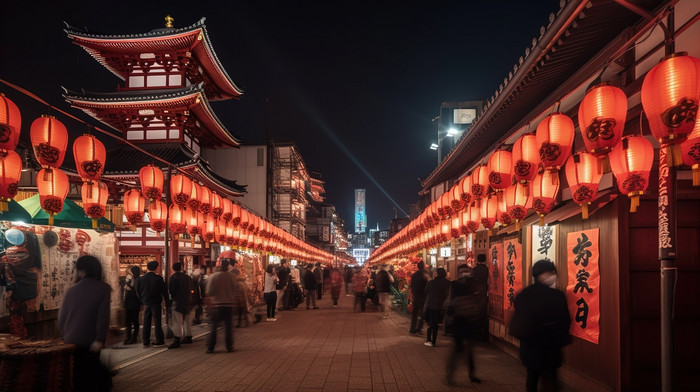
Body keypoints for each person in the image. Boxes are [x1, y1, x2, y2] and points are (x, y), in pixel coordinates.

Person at [510, 260, 571, 392]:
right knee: (550, 379)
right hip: (551, 345)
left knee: (532, 378)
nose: (553, 276)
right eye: (550, 273)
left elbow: (519, 320)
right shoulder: (557, 296)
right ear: (541, 275)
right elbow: (565, 320)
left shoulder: (524, 294)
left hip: (530, 345)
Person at [58, 255, 112, 391]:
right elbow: (103, 316)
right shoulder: (103, 288)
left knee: (77, 375)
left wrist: (64, 335)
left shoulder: (71, 290)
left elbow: (62, 316)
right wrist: (100, 338)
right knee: (91, 375)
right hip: (90, 340)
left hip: (70, 339)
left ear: (81, 271)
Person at [446, 264, 481, 385]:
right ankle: (450, 376)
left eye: (466, 271)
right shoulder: (454, 284)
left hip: (469, 321)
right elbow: (451, 301)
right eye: (462, 271)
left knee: (470, 350)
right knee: (457, 350)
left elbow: (476, 296)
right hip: (458, 321)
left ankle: (472, 374)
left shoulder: (471, 283)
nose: (464, 273)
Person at [205, 259, 239, 353]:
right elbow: (235, 288)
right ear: (228, 266)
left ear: (219, 266)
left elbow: (208, 291)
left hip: (216, 305)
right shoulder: (232, 277)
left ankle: (210, 347)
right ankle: (229, 346)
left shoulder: (213, 276)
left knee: (213, 327)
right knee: (228, 327)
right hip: (228, 305)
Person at [135, 261, 167, 348]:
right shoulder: (159, 278)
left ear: (147, 268)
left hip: (146, 303)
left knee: (146, 322)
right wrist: (165, 302)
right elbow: (164, 291)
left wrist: (142, 300)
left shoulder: (141, 279)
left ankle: (145, 341)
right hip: (156, 303)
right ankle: (160, 340)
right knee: (157, 322)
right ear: (156, 268)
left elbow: (138, 292)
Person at [168, 262, 194, 349]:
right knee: (187, 320)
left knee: (177, 321)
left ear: (173, 269)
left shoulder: (173, 278)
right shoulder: (187, 277)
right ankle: (188, 336)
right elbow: (192, 289)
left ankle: (177, 339)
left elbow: (172, 291)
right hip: (188, 301)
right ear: (182, 267)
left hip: (178, 302)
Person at [423, 267, 449, 347]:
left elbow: (426, 292)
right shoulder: (446, 283)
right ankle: (434, 341)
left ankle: (428, 340)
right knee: (436, 324)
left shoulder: (431, 282)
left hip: (431, 305)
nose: (434, 273)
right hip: (440, 306)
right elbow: (446, 294)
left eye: (435, 272)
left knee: (431, 323)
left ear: (437, 274)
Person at [123, 266, 141, 344]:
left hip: (135, 304)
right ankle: (128, 337)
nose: (130, 273)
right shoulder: (131, 279)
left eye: (131, 271)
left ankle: (134, 338)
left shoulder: (138, 280)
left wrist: (129, 288)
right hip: (128, 303)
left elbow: (139, 293)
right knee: (128, 321)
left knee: (135, 321)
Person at [472, 254, 489, 340]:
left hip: (476, 294)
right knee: (484, 314)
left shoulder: (475, 269)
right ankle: (484, 334)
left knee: (476, 314)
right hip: (484, 293)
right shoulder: (487, 269)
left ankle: (476, 333)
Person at [409, 261, 428, 334]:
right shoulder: (424, 274)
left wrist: (412, 293)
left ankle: (412, 328)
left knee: (415, 313)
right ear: (423, 266)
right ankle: (419, 327)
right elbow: (427, 284)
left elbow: (412, 285)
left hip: (416, 296)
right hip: (422, 296)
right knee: (423, 313)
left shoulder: (414, 275)